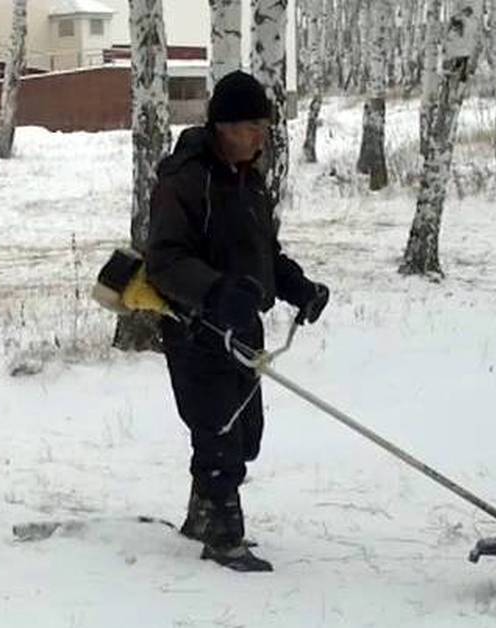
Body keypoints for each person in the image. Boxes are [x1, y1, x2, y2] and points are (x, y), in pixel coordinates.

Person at [145, 71, 329, 572]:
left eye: (264, 126)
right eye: (251, 126)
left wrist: (297, 288)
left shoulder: (249, 180)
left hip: (243, 327)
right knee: (217, 431)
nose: (260, 135)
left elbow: (263, 252)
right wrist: (214, 292)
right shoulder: (185, 180)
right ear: (223, 126)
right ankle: (223, 536)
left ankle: (201, 510)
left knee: (247, 433)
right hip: (196, 329)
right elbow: (164, 260)